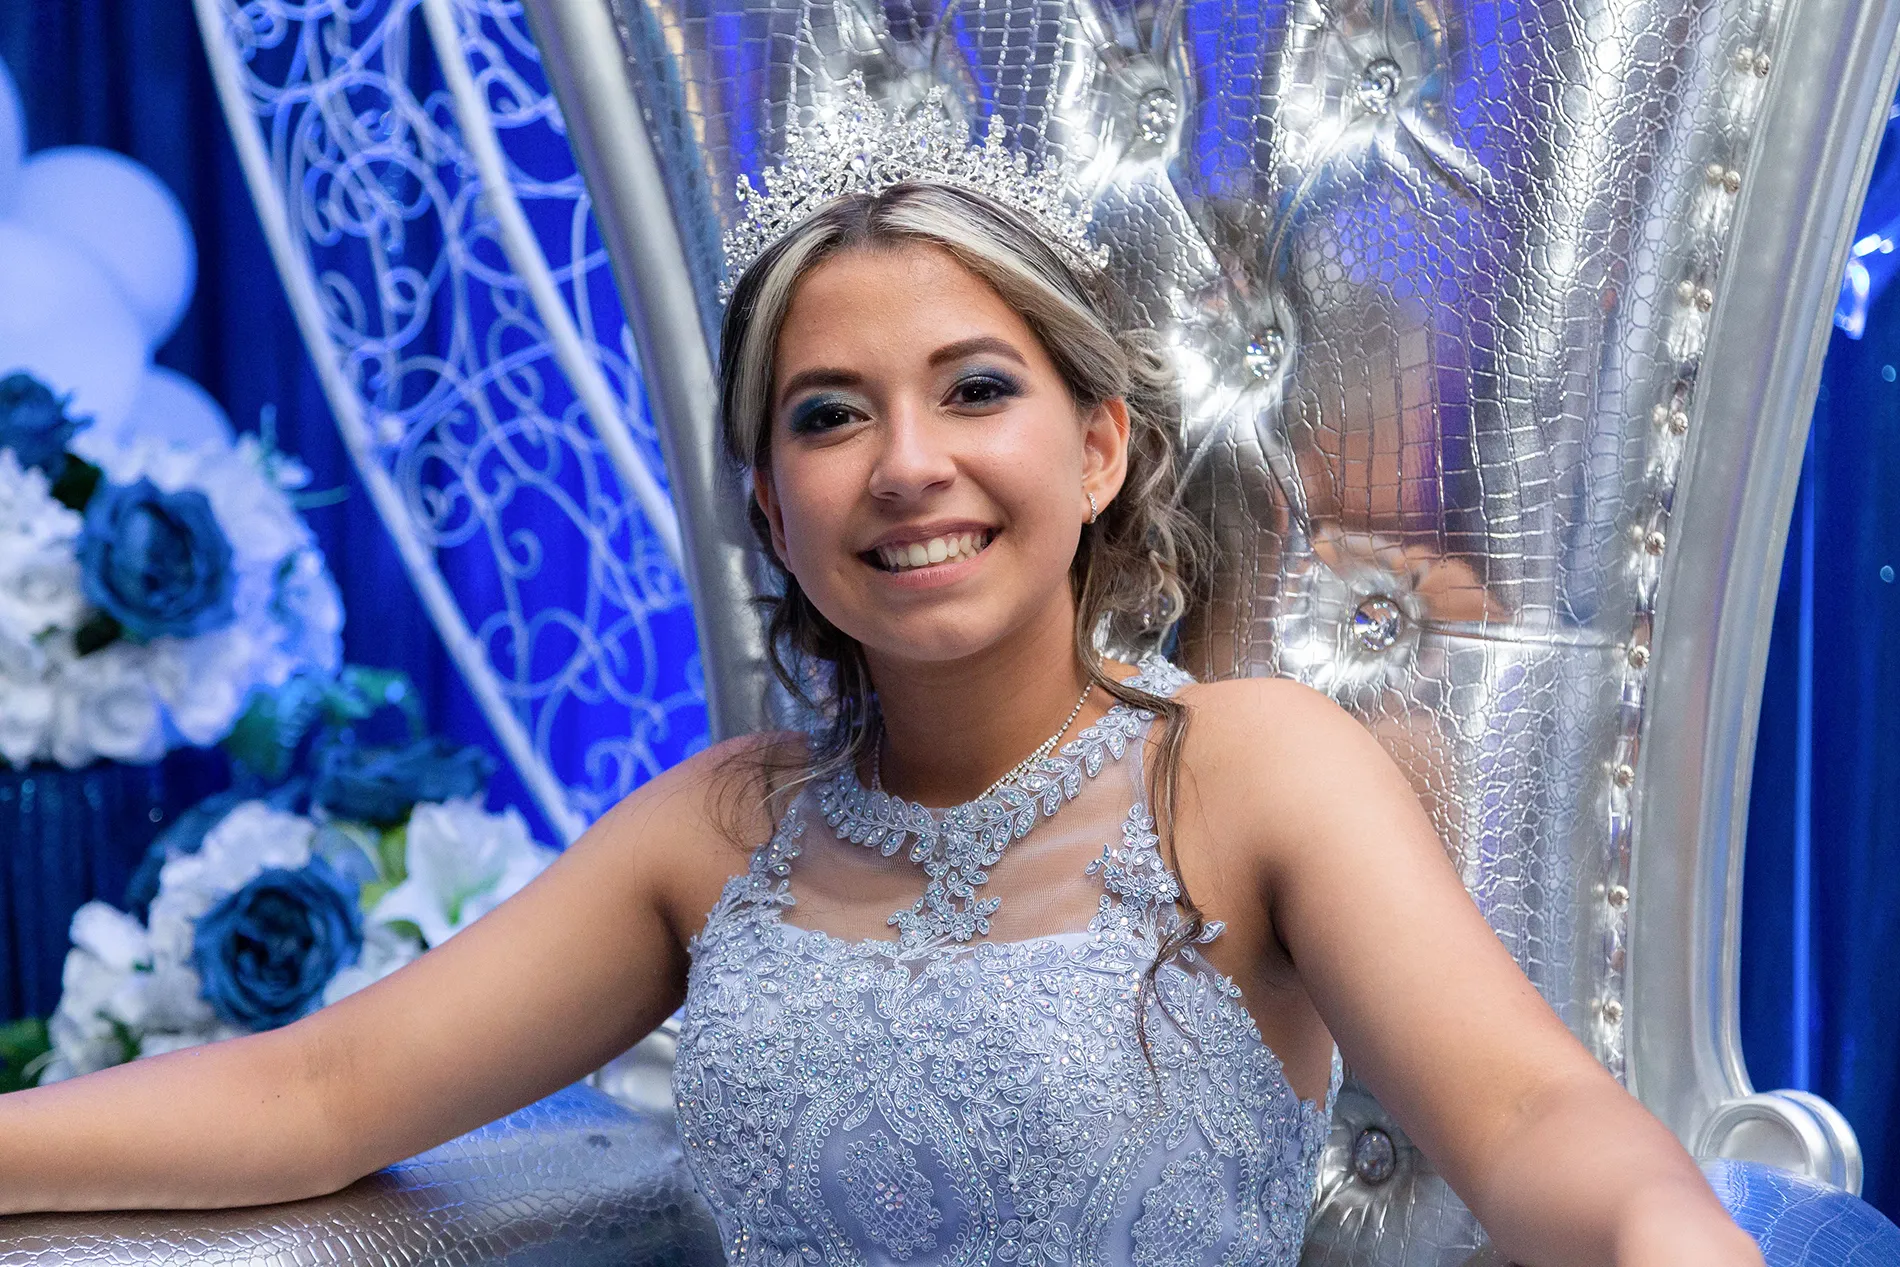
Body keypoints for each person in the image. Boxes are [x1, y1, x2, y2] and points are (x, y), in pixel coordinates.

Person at [0, 91, 1765, 1267]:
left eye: (976, 389)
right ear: (774, 505)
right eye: (831, 415)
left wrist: (1669, 1235)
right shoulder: (719, 828)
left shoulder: (1251, 769)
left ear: (1097, 449)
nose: (908, 465)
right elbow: (319, 1094)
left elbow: (1529, 1110)